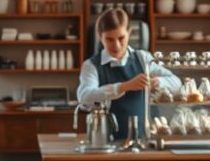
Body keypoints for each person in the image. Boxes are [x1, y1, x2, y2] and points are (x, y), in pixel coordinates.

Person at [77, 9, 180, 140]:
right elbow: (84, 97)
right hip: (106, 142)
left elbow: (177, 82)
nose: (117, 45)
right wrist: (123, 87)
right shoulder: (91, 65)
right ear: (100, 36)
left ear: (129, 33)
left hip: (146, 140)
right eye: (109, 39)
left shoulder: (143, 58)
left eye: (121, 38)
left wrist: (157, 82)